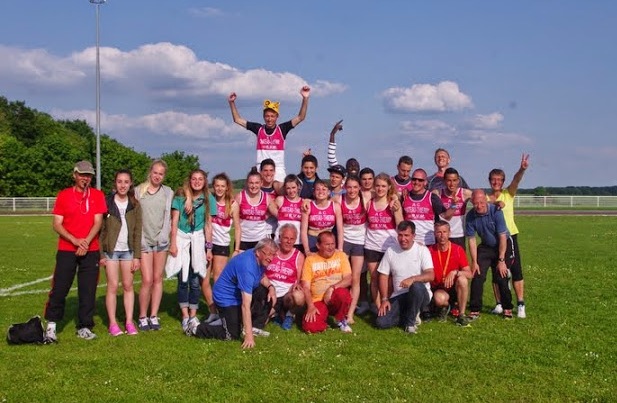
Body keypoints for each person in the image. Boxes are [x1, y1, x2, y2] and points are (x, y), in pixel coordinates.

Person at [44, 161, 107, 341]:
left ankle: (84, 326)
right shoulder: (64, 195)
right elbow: (57, 224)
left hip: (90, 249)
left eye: (88, 175)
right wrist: (75, 241)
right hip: (67, 249)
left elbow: (98, 222)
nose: (85, 178)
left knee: (88, 290)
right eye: (82, 175)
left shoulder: (97, 195)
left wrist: (85, 242)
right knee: (60, 287)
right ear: (75, 175)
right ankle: (51, 326)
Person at [187, 238, 278, 349]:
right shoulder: (247, 267)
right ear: (258, 252)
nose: (270, 258)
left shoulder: (258, 258)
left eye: (273, 255)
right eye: (268, 254)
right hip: (226, 298)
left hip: (237, 293)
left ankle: (253, 327)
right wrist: (248, 337)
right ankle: (196, 328)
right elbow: (245, 305)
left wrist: (271, 287)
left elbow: (261, 276)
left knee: (266, 292)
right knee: (232, 334)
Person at [228, 86, 311, 182]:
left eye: (272, 116)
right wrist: (232, 103)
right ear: (263, 117)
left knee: (282, 188)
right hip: (261, 167)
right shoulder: (259, 129)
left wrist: (305, 98)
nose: (269, 119)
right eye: (267, 116)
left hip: (278, 168)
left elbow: (300, 117)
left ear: (277, 117)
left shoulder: (282, 129)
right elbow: (237, 120)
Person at [165, 169, 214, 332]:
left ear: (205, 181)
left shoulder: (208, 199)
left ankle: (193, 314)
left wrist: (208, 249)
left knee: (195, 280)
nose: (197, 182)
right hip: (182, 239)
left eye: (200, 179)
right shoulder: (180, 197)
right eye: (194, 179)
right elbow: (174, 221)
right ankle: (185, 315)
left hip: (198, 241)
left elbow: (208, 225)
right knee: (183, 279)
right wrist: (173, 243)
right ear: (190, 180)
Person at [99, 169, 142, 336]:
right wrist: (101, 255)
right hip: (111, 251)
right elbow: (100, 230)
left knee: (128, 286)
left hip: (128, 251)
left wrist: (137, 256)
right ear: (115, 183)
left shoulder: (135, 204)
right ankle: (112, 323)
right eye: (119, 181)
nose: (122, 185)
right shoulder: (107, 202)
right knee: (112, 286)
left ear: (130, 184)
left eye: (126, 182)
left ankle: (129, 322)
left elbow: (138, 231)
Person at [487, 153, 530, 318]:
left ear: (503, 182)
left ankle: (520, 304)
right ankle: (499, 304)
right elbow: (475, 201)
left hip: (510, 236)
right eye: (493, 179)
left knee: (516, 271)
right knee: (496, 273)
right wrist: (494, 202)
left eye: (499, 180)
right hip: (494, 240)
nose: (496, 182)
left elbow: (516, 180)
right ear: (489, 181)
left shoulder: (508, 193)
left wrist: (522, 169)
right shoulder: (486, 198)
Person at [135, 159, 174, 331]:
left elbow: (169, 216)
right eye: (155, 172)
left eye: (161, 174)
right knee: (147, 280)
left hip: (161, 242)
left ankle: (153, 315)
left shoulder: (168, 192)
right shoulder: (139, 191)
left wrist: (164, 235)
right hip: (144, 241)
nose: (157, 176)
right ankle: (142, 316)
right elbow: (135, 218)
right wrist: (141, 239)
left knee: (158, 279)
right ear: (150, 172)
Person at [375, 221, 434, 334]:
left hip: (421, 294)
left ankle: (410, 324)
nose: (403, 239)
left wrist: (412, 279)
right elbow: (383, 276)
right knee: (381, 323)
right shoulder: (391, 251)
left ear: (413, 236)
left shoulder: (422, 250)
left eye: (406, 235)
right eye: (400, 235)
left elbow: (431, 275)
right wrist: (384, 299)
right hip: (399, 295)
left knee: (416, 286)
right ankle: (410, 314)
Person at [465, 189, 515, 319]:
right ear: (472, 202)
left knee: (501, 276)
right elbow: (471, 240)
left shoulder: (496, 211)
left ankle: (507, 308)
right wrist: (474, 262)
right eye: (476, 203)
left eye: (482, 202)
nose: (479, 206)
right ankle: (475, 309)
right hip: (486, 246)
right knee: (477, 275)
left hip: (502, 245)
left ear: (486, 200)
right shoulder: (470, 216)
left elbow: (502, 236)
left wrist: (501, 260)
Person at [364, 173, 403, 310]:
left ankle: (389, 306)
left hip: (389, 246)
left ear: (389, 187)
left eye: (383, 186)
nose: (380, 189)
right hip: (371, 245)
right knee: (374, 278)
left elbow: (400, 225)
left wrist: (396, 209)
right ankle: (378, 307)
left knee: (389, 278)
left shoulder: (393, 203)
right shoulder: (369, 203)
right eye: (378, 186)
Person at [301, 231, 353, 333]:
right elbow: (305, 287)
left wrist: (332, 288)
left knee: (342, 294)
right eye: (327, 244)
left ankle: (341, 319)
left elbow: (348, 279)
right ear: (318, 245)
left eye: (333, 244)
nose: (331, 247)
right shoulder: (310, 260)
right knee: (311, 327)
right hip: (318, 300)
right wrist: (310, 306)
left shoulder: (341, 256)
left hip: (335, 296)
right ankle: (323, 319)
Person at [262, 224, 306, 330]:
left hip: (286, 294)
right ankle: (278, 314)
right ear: (279, 237)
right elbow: (261, 271)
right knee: (261, 319)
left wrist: (296, 286)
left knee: (299, 296)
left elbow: (299, 281)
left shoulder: (299, 256)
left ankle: (289, 314)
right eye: (286, 238)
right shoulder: (271, 251)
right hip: (268, 290)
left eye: (292, 239)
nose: (289, 241)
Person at [428, 221, 472, 326]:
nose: (442, 235)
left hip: (455, 288)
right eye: (439, 232)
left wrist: (455, 272)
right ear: (435, 234)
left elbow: (469, 274)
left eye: (444, 232)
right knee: (439, 299)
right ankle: (447, 307)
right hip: (439, 288)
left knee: (462, 279)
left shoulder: (458, 250)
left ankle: (461, 314)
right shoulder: (430, 251)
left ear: (449, 233)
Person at [339, 175, 368, 324]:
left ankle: (350, 314)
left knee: (356, 278)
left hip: (359, 242)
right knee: (343, 277)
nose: (352, 190)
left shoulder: (365, 199)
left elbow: (386, 196)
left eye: (355, 187)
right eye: (349, 187)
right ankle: (341, 309)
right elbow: (321, 199)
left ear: (360, 188)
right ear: (345, 188)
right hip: (345, 241)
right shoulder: (339, 199)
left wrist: (395, 197)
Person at [402, 168, 454, 246]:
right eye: (414, 179)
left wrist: (454, 204)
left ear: (425, 182)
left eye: (420, 180)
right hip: (409, 243)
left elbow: (446, 216)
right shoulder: (404, 197)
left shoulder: (432, 197)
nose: (416, 182)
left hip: (427, 242)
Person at [209, 173, 241, 282]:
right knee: (204, 277)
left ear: (227, 187)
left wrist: (236, 249)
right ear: (213, 186)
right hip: (207, 242)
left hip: (222, 244)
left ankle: (218, 294)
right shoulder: (209, 200)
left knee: (217, 276)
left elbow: (237, 228)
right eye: (217, 185)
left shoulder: (232, 204)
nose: (219, 188)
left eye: (222, 186)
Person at [300, 179, 344, 253]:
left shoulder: (336, 206)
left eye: (324, 189)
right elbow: (303, 231)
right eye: (318, 189)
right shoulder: (308, 206)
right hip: (313, 240)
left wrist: (340, 248)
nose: (321, 192)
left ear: (329, 192)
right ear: (314, 192)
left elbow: (340, 230)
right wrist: (307, 250)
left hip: (329, 239)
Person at [434, 168, 472, 249]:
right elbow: (446, 217)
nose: (452, 184)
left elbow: (481, 199)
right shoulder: (437, 193)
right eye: (449, 180)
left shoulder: (465, 193)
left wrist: (496, 202)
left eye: (454, 180)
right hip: (442, 235)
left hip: (459, 235)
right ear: (444, 181)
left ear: (458, 181)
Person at [235, 167, 271, 251]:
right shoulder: (240, 196)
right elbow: (230, 212)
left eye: (257, 183)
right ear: (247, 183)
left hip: (260, 240)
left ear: (261, 183)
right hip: (243, 239)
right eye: (251, 183)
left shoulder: (266, 197)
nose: (254, 186)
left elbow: (278, 212)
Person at [269, 174, 303, 249]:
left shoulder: (304, 202)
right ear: (285, 188)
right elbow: (268, 208)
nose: (291, 191)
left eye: (293, 187)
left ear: (298, 187)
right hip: (280, 240)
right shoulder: (280, 200)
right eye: (288, 188)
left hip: (297, 241)